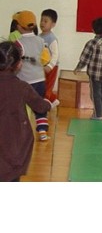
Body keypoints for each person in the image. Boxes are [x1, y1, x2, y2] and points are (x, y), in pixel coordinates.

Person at [0, 41, 59, 181]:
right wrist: (49, 103)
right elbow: (41, 106)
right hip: (14, 144)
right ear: (18, 64)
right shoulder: (22, 87)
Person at [13, 11, 51, 141]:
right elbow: (46, 59)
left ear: (19, 26)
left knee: (21, 107)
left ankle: (22, 132)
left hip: (24, 81)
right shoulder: (41, 40)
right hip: (40, 79)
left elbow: (15, 62)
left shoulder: (18, 43)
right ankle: (42, 131)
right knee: (39, 105)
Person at [74, 17, 102, 120]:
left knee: (95, 94)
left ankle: (98, 114)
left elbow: (84, 58)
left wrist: (78, 68)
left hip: (94, 75)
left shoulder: (91, 43)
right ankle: (101, 112)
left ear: (93, 30)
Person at [39, 9, 60, 102]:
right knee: (42, 86)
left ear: (53, 24)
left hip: (52, 67)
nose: (42, 23)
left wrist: (50, 66)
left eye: (45, 21)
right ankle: (53, 100)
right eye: (41, 20)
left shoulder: (52, 39)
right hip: (42, 66)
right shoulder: (38, 37)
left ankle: (46, 103)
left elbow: (55, 55)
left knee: (48, 86)